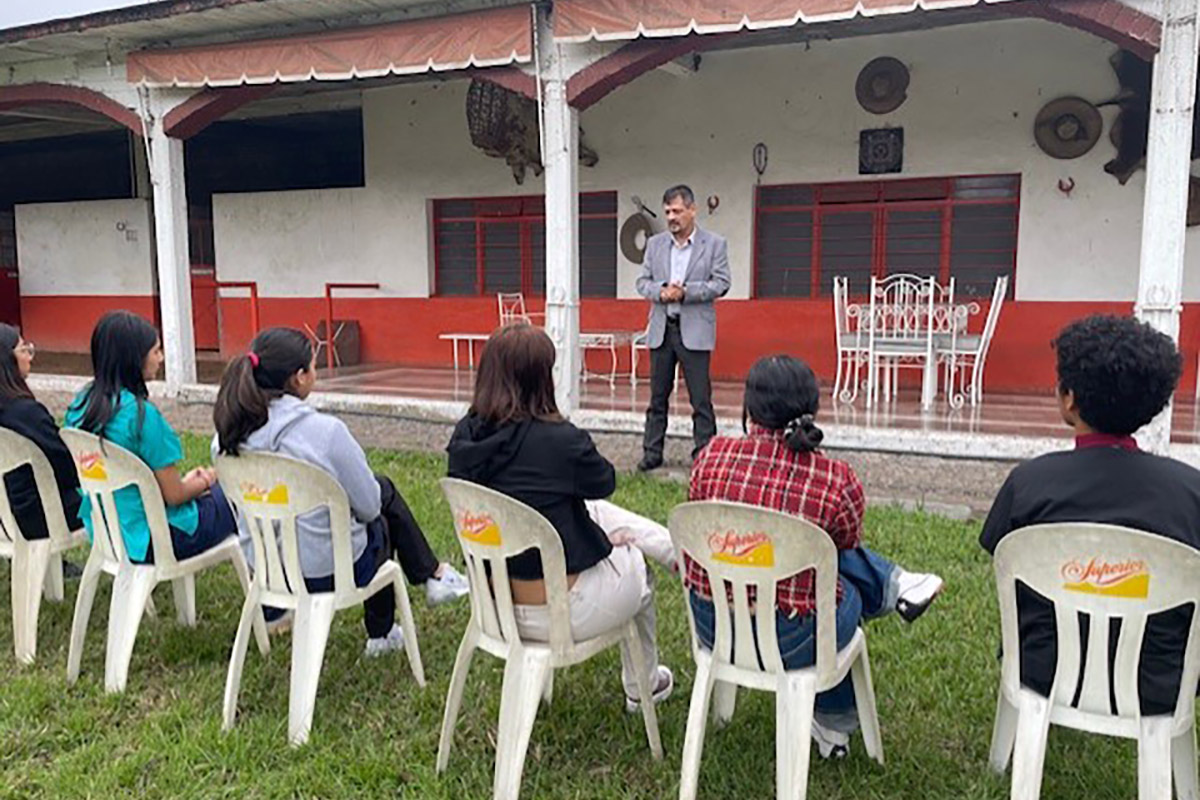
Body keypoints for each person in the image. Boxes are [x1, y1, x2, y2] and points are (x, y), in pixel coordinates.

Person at [688, 354, 944, 758]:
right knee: (841, 588)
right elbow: (845, 543)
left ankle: (897, 584)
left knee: (822, 570)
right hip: (793, 640)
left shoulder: (709, 458)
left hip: (713, 626)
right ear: (813, 410)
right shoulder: (835, 478)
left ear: (748, 407)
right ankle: (834, 723)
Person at [447, 323, 674, 711]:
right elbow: (604, 480)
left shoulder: (464, 438)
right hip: (558, 611)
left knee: (597, 513)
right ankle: (643, 686)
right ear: (541, 379)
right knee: (638, 567)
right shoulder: (559, 440)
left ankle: (673, 550)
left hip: (495, 608)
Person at [980, 314, 1199, 715]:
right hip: (1161, 685)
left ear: (1069, 397)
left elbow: (999, 552)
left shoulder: (1029, 484)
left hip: (1042, 671)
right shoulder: (1192, 493)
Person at [214, 326, 468, 655]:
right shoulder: (325, 433)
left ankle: (433, 578)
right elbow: (370, 507)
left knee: (380, 495)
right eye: (314, 365)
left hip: (266, 571)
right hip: (329, 572)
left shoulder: (225, 438)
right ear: (299, 377)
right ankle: (385, 631)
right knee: (381, 510)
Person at [64, 310, 234, 564]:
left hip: (108, 531)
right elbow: (175, 495)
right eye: (155, 351)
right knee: (234, 493)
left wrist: (184, 484)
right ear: (134, 359)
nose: (161, 358)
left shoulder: (81, 405)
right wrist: (205, 481)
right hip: (156, 538)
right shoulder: (141, 416)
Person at [635, 184, 731, 471]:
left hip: (694, 330)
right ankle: (652, 454)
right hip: (662, 329)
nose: (671, 217)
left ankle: (705, 456)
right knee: (657, 398)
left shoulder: (714, 244)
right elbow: (642, 283)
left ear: (692, 210)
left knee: (701, 399)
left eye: (677, 211)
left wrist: (686, 291)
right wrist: (661, 291)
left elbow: (722, 283)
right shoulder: (655, 245)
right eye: (667, 212)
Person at [0, 324, 83, 542]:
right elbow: (67, 467)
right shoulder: (25, 413)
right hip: (38, 516)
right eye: (23, 350)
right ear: (6, 360)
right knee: (105, 497)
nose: (30, 357)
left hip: (4, 516)